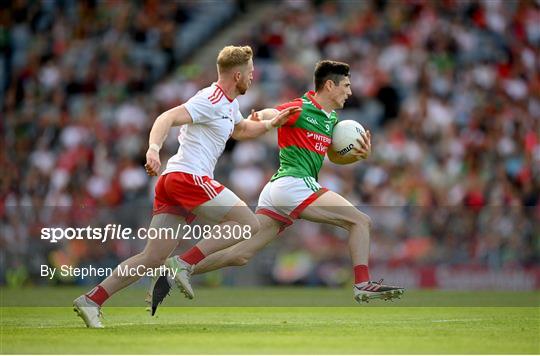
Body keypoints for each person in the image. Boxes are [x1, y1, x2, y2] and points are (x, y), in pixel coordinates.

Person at [73, 45, 300, 328]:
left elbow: (240, 130)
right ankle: (184, 263)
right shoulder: (210, 97)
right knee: (247, 223)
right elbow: (166, 117)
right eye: (251, 73)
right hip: (188, 177)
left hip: (174, 182)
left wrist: (271, 125)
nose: (254, 77)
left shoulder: (230, 104)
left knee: (152, 257)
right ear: (238, 75)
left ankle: (92, 300)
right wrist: (153, 149)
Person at [151, 60, 404, 313]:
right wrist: (261, 116)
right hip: (294, 185)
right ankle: (362, 285)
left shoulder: (331, 120)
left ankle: (174, 270)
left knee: (239, 255)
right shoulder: (301, 107)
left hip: (279, 191)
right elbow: (274, 113)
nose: (350, 92)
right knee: (360, 221)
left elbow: (334, 155)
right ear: (330, 85)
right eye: (346, 86)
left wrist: (359, 154)